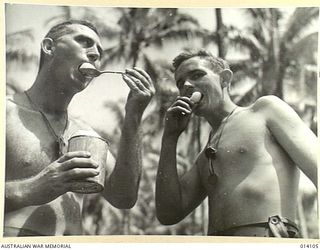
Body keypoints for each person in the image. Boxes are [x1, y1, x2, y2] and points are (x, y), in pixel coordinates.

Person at [5, 20, 154, 236]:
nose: (95, 54)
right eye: (84, 42)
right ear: (49, 47)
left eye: (99, 51)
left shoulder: (85, 134)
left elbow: (123, 197)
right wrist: (33, 188)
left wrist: (134, 115)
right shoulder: (6, 113)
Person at [155, 49, 317, 237]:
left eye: (197, 75)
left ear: (224, 79)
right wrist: (170, 137)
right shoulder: (205, 156)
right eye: (180, 83)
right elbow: (168, 214)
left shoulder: (264, 111)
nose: (187, 85)